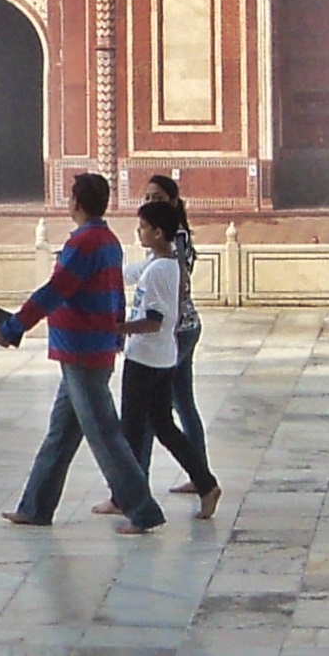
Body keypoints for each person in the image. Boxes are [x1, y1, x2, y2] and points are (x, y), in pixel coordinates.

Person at [0, 172, 162, 533]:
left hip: (82, 350)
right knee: (61, 433)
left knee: (104, 435)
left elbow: (55, 291)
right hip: (89, 349)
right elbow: (116, 294)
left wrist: (12, 328)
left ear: (76, 204)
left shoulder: (84, 244)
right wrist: (115, 334)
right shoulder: (108, 241)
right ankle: (35, 507)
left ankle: (143, 511)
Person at [111, 197, 218, 517]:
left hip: (145, 360)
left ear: (158, 232)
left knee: (131, 432)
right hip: (161, 357)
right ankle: (205, 483)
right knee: (163, 426)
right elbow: (127, 273)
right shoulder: (164, 264)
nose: (139, 232)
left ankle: (134, 505)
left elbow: (154, 320)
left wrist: (119, 327)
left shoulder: (160, 271)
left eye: (143, 227)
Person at [145, 172, 213, 497]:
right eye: (148, 198)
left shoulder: (175, 239)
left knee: (150, 408)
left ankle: (131, 488)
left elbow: (177, 281)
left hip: (177, 330)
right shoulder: (167, 237)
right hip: (186, 327)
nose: (151, 203)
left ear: (172, 201)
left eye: (158, 198)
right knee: (184, 402)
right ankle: (201, 475)